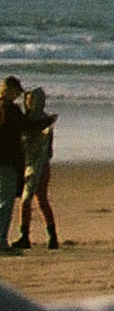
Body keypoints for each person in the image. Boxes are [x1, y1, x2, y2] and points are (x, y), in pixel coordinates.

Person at [11, 89, 53, 250]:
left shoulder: (43, 121)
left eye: (32, 100)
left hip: (40, 164)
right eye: (28, 100)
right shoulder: (25, 120)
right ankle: (26, 235)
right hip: (28, 164)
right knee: (29, 200)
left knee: (36, 200)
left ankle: (47, 235)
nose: (29, 103)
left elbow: (46, 149)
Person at [0, 77, 21, 251]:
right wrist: (47, 121)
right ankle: (0, 242)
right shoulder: (11, 110)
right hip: (7, 161)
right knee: (5, 202)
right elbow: (26, 126)